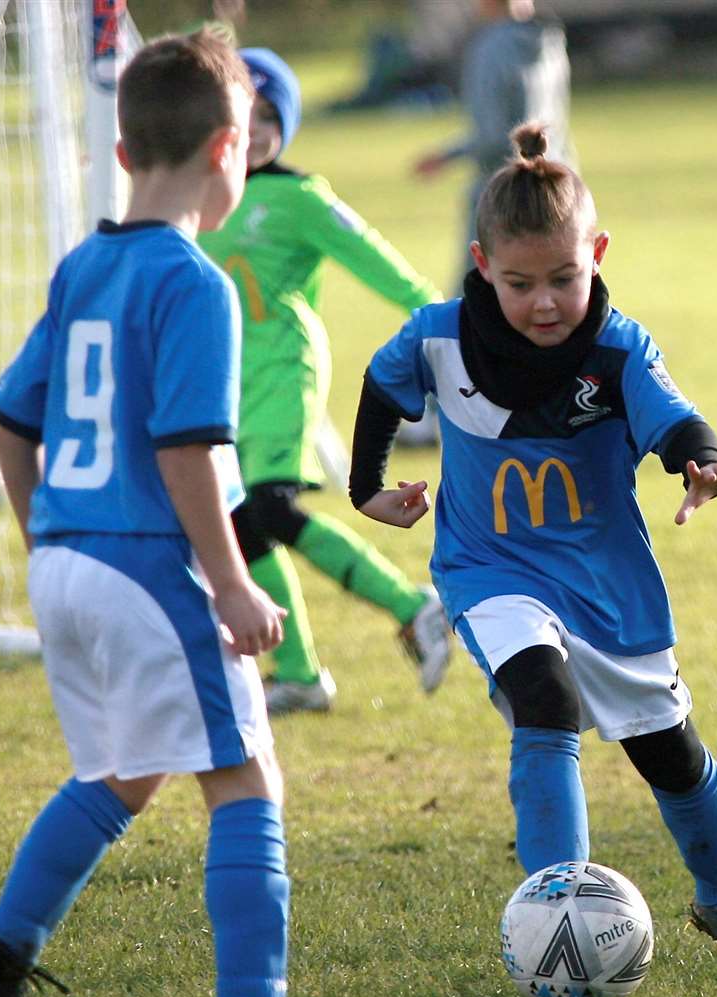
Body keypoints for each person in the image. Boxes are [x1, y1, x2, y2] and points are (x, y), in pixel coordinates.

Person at [0, 32, 359, 997]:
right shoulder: (193, 282)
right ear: (230, 152)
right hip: (146, 565)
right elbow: (184, 450)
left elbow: (10, 426)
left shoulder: (83, 265)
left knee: (125, 772)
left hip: (68, 561)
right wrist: (234, 586)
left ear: (120, 154)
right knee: (246, 779)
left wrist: (46, 551)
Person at [352, 123, 717, 964]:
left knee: (670, 752)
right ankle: (556, 918)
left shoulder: (620, 348)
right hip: (491, 572)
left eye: (563, 278)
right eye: (518, 283)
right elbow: (381, 387)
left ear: (598, 252)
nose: (544, 301)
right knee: (540, 701)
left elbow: (677, 420)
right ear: (481, 263)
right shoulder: (439, 334)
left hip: (605, 584)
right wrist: (366, 488)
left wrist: (701, 464)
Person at [199, 47, 451, 714]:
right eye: (242, 113)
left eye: (269, 115)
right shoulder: (197, 195)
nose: (253, 129)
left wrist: (452, 325)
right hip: (220, 385)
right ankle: (300, 674)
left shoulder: (301, 197)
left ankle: (412, 606)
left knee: (270, 510)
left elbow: (384, 268)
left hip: (284, 373)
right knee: (242, 526)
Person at [410, 0, 574, 289]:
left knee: (476, 295)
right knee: (548, 295)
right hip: (556, 185)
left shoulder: (489, 48)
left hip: (503, 189)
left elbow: (491, 138)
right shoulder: (550, 42)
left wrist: (448, 155)